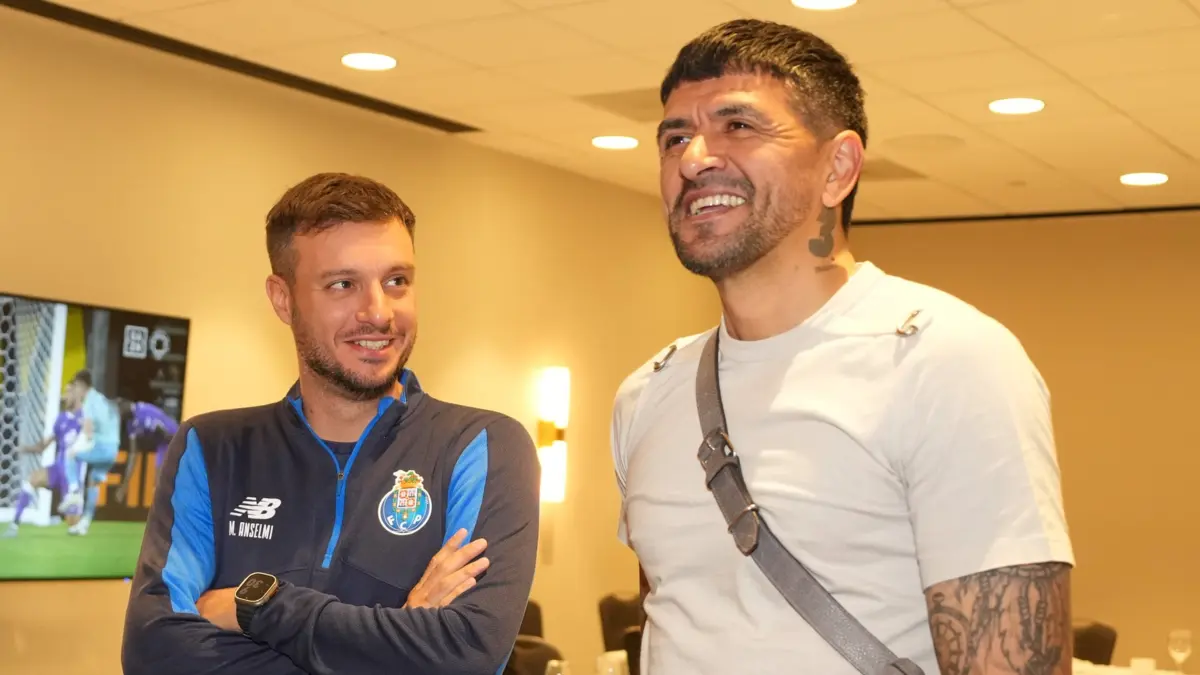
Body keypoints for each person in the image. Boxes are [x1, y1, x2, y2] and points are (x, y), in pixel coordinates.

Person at [610, 19, 1075, 675]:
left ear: (838, 167)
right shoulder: (647, 393)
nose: (693, 159)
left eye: (737, 125)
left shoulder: (944, 360)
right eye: (675, 137)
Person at [121, 173, 541, 675]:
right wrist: (401, 637)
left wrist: (263, 605)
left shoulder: (480, 446)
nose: (378, 312)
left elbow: (467, 653)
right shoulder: (211, 449)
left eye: (396, 281)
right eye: (343, 284)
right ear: (283, 299)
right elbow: (153, 653)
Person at [2, 397, 85, 537]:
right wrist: (25, 448)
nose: (66, 396)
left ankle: (75, 519)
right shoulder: (61, 418)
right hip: (58, 468)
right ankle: (14, 525)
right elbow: (43, 446)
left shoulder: (85, 418)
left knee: (72, 525)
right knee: (33, 479)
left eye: (70, 392)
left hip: (72, 474)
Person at [65, 369, 122, 535]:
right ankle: (84, 523)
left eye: (75, 386)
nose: (75, 390)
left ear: (82, 386)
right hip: (113, 449)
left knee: (71, 454)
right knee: (94, 482)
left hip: (102, 446)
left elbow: (88, 431)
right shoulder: (101, 399)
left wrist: (79, 445)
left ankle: (74, 492)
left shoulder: (89, 401)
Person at [114, 398, 179, 503]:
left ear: (124, 405)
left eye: (118, 411)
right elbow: (133, 454)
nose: (118, 415)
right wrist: (124, 486)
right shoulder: (130, 424)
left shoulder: (144, 411)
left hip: (175, 438)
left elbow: (166, 434)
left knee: (164, 482)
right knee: (159, 483)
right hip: (163, 445)